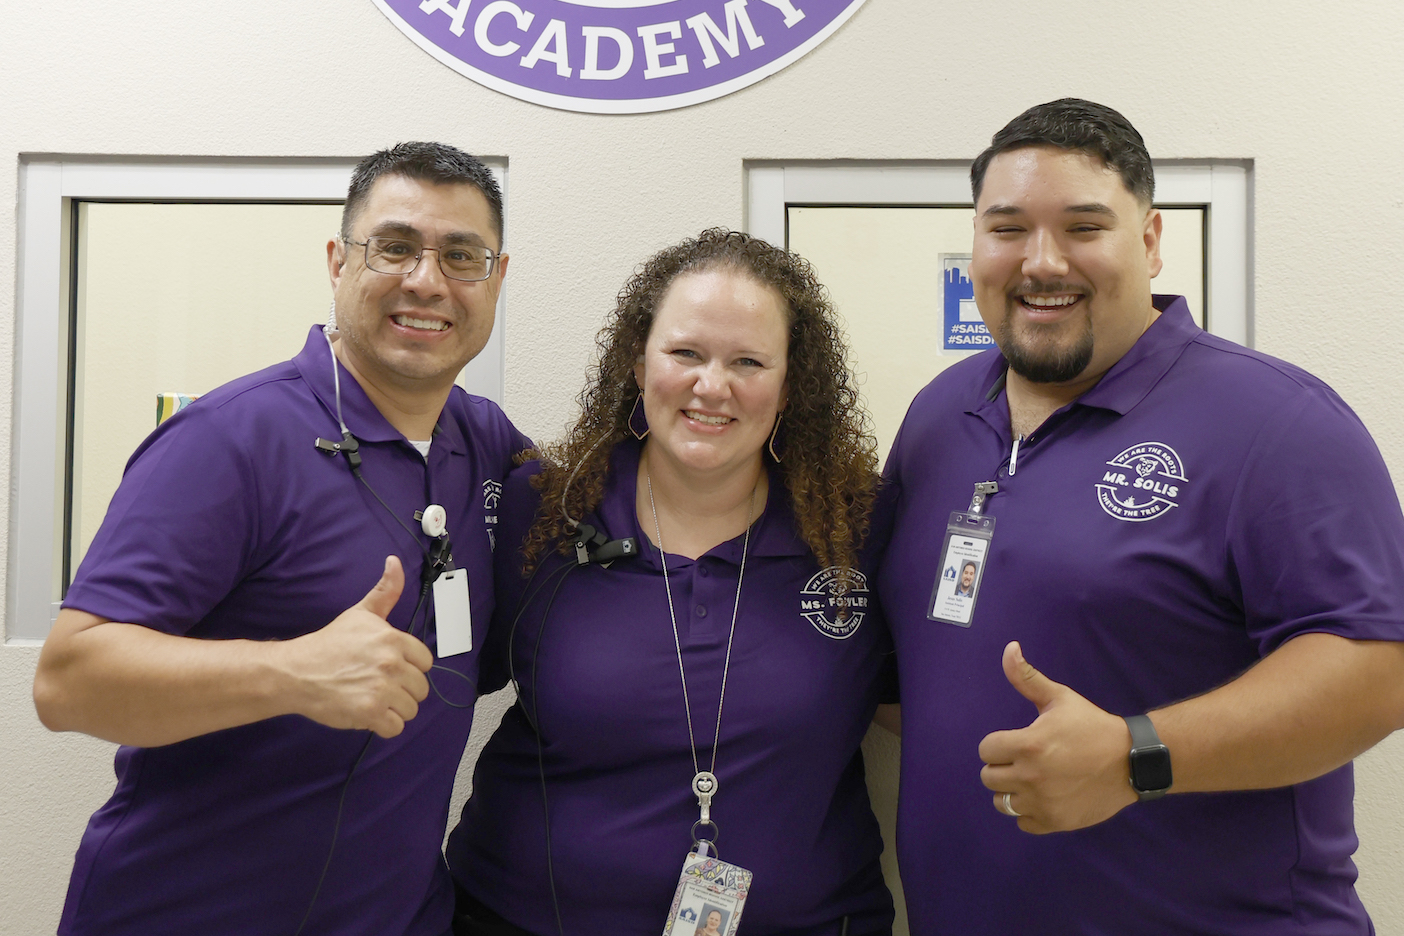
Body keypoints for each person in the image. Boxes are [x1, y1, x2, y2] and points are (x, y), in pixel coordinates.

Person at [878, 99, 1404, 933]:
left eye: (1084, 227)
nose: (1042, 261)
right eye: (1008, 228)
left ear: (1151, 241)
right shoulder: (938, 418)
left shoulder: (1277, 422)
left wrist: (1137, 757)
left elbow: (1380, 671)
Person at [32, 142, 529, 936]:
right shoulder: (232, 440)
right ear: (338, 262)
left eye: (461, 256)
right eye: (394, 247)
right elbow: (66, 681)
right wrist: (291, 672)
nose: (427, 281)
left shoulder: (488, 444)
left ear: (496, 278)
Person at [446, 229, 895, 935]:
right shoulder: (546, 508)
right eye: (685, 352)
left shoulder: (858, 528)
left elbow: (922, 706)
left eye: (748, 361)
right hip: (524, 919)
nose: (711, 385)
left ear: (788, 386)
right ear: (638, 360)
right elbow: (444, 682)